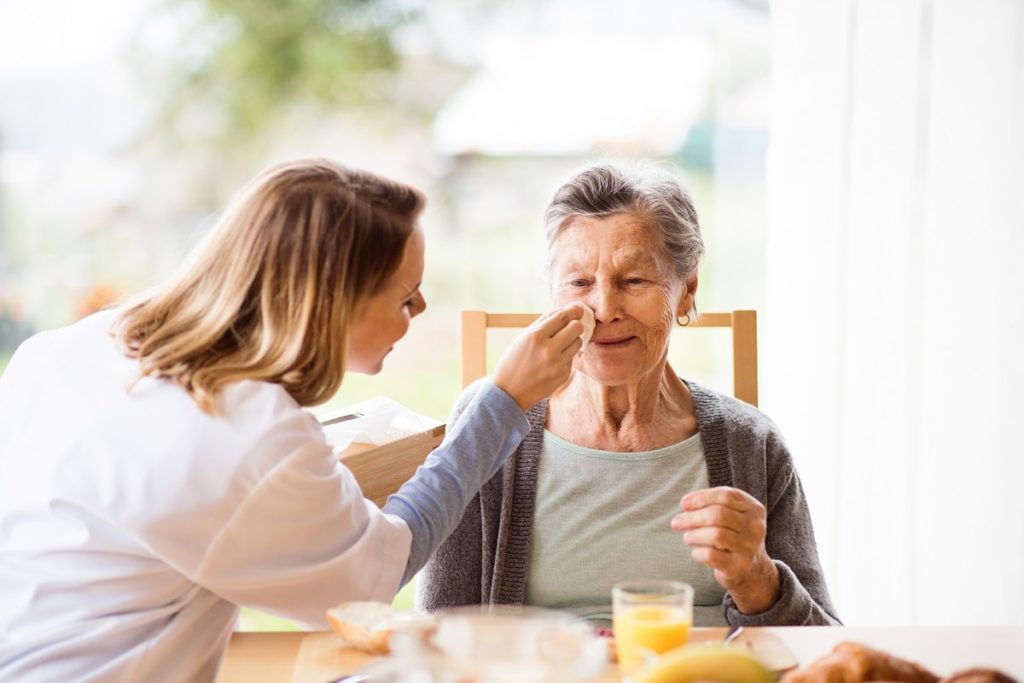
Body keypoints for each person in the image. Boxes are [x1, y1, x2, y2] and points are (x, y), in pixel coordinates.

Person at [0, 159, 585, 682]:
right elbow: (375, 574)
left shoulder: (67, 349)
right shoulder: (246, 435)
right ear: (335, 306)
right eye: (407, 298)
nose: (423, 310)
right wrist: (503, 401)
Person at [418, 163, 840, 627]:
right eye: (579, 283)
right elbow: (438, 635)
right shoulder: (493, 422)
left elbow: (826, 652)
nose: (604, 309)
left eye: (634, 281)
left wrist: (758, 580)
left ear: (687, 291)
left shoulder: (750, 442)